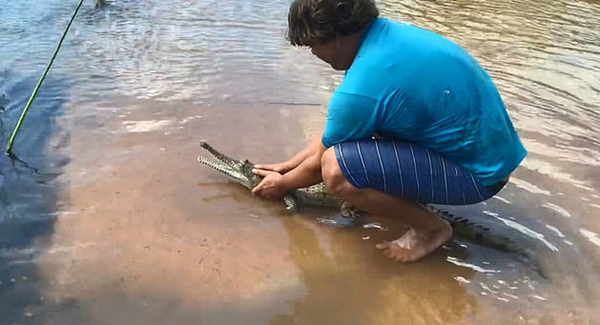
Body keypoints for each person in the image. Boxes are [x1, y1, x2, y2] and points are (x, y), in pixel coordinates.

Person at [251, 0, 527, 263]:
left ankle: (431, 229)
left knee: (336, 169)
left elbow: (322, 162)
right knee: (364, 134)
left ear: (333, 36)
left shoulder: (360, 88)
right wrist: (287, 166)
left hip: (480, 176)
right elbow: (333, 134)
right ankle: (394, 199)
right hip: (493, 156)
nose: (313, 53)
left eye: (312, 45)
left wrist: (283, 185)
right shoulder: (388, 37)